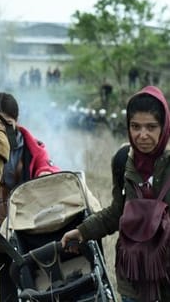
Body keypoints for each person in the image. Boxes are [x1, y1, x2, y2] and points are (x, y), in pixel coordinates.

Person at [61, 85, 170, 302]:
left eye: (151, 127)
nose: (142, 135)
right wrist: (82, 231)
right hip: (133, 275)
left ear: (164, 127)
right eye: (135, 126)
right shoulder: (123, 160)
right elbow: (117, 212)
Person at [0, 92, 60, 302]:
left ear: (16, 121)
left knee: (32, 280)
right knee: (1, 278)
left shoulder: (31, 147)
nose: (1, 128)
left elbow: (45, 166)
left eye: (7, 122)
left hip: (25, 223)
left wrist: (44, 175)